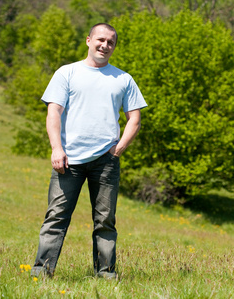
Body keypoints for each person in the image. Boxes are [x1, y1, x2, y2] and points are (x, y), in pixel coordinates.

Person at [31, 23, 147, 280]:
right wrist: (56, 149)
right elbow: (54, 112)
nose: (105, 46)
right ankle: (41, 272)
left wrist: (118, 150)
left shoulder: (123, 79)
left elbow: (135, 118)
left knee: (105, 220)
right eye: (101, 40)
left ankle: (105, 274)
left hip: (106, 161)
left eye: (111, 43)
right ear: (88, 40)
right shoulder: (67, 73)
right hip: (68, 160)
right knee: (56, 216)